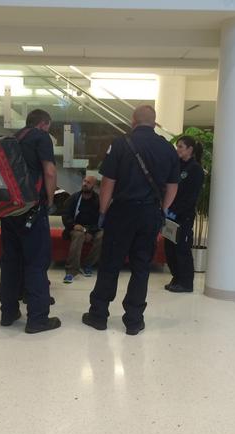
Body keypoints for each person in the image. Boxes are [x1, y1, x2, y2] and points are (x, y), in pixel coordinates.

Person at [82, 105, 179, 335]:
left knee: (110, 264)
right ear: (154, 123)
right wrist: (161, 209)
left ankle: (99, 315)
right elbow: (173, 187)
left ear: (133, 121)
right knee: (141, 266)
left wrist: (103, 212)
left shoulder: (120, 144)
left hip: (122, 213)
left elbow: (108, 182)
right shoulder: (167, 148)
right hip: (150, 214)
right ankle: (134, 320)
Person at [0, 109, 61, 334]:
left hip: (9, 209)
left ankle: (8, 312)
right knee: (36, 262)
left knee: (11, 261)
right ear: (44, 124)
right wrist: (50, 201)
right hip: (32, 209)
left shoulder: (11, 139)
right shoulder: (41, 137)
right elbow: (50, 172)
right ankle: (37, 319)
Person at [164, 136, 204, 293]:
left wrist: (175, 211)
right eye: (177, 146)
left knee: (182, 249)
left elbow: (191, 197)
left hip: (183, 216)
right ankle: (176, 278)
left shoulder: (195, 169)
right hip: (170, 216)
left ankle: (186, 283)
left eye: (180, 146)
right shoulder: (177, 166)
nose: (177, 149)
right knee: (170, 249)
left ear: (190, 150)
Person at [61, 175, 103, 283]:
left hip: (92, 228)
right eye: (84, 181)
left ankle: (87, 265)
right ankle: (71, 271)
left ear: (93, 185)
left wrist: (90, 231)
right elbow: (65, 215)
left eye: (88, 182)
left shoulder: (98, 200)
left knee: (102, 235)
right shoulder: (73, 198)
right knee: (78, 235)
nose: (85, 184)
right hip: (75, 227)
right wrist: (73, 225)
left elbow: (101, 220)